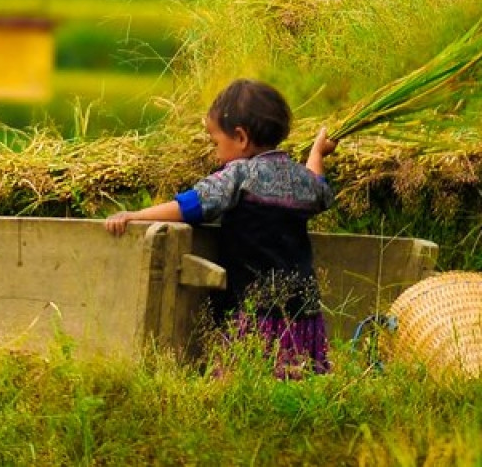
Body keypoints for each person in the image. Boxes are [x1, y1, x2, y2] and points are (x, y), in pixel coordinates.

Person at [105, 78, 338, 378]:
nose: (215, 153)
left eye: (216, 142)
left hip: (256, 313)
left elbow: (190, 206)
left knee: (240, 382)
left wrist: (136, 215)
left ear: (240, 138)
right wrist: (317, 154)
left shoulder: (239, 174)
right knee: (298, 379)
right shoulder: (301, 178)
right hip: (304, 311)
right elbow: (320, 188)